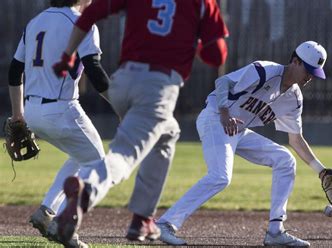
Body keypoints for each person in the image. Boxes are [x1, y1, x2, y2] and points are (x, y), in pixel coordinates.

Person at [51, 0, 229, 246]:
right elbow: (216, 54)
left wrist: (67, 55)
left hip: (122, 82)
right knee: (123, 156)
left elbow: (90, 12)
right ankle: (86, 190)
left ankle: (142, 218)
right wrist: (194, 43)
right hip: (157, 88)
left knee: (168, 133)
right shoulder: (202, 3)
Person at [155, 41, 329, 247]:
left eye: (314, 73)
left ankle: (275, 231)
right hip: (214, 118)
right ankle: (165, 224)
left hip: (238, 129)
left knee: (285, 159)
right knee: (220, 177)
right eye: (308, 70)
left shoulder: (294, 98)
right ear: (295, 61)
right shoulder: (265, 70)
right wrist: (225, 112)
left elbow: (296, 139)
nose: (309, 77)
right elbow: (222, 82)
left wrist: (321, 170)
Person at [7, 0, 111, 247]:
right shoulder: (81, 22)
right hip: (62, 108)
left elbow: (14, 70)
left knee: (80, 155)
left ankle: (47, 211)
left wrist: (18, 115)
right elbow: (94, 70)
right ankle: (63, 224)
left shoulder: (35, 22)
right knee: (99, 165)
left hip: (32, 110)